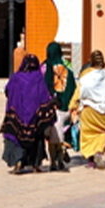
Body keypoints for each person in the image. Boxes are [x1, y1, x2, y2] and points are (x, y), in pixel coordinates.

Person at [0, 53, 57, 174]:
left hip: (17, 115)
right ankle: (36, 164)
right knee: (37, 138)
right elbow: (45, 96)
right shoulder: (38, 78)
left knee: (16, 138)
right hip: (34, 117)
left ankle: (18, 161)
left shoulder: (16, 78)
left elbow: (7, 91)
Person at [69, 50, 105, 169]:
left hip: (88, 111)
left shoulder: (86, 76)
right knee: (102, 133)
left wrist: (72, 106)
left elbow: (78, 92)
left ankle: (90, 161)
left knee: (88, 135)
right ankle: (98, 153)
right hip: (103, 112)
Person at [43, 41, 76, 171]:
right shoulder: (68, 71)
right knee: (60, 135)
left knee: (52, 137)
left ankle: (53, 162)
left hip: (51, 109)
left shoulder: (45, 68)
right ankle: (60, 158)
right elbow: (73, 89)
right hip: (65, 109)